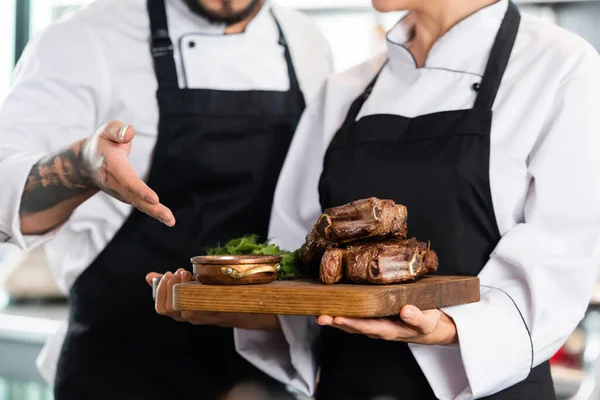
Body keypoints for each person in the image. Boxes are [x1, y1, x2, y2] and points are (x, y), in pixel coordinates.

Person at [153, 0, 600, 399]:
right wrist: (232, 310)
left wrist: (450, 328)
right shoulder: (345, 90)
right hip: (351, 384)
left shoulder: (560, 66)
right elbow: (302, 272)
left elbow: (560, 255)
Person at [0, 0, 332, 398]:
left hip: (261, 372)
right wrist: (80, 166)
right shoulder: (84, 38)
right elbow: (6, 195)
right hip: (121, 367)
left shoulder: (306, 42)